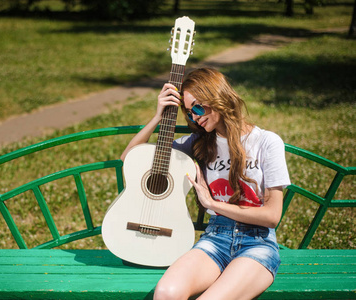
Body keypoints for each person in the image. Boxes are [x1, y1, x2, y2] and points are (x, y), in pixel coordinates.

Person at [120, 67, 290, 300]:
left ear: (217, 98)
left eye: (198, 107)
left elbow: (272, 216)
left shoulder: (267, 143)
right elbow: (129, 158)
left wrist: (212, 203)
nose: (195, 117)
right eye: (189, 113)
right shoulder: (198, 143)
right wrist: (158, 116)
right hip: (215, 239)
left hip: (257, 243)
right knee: (166, 293)